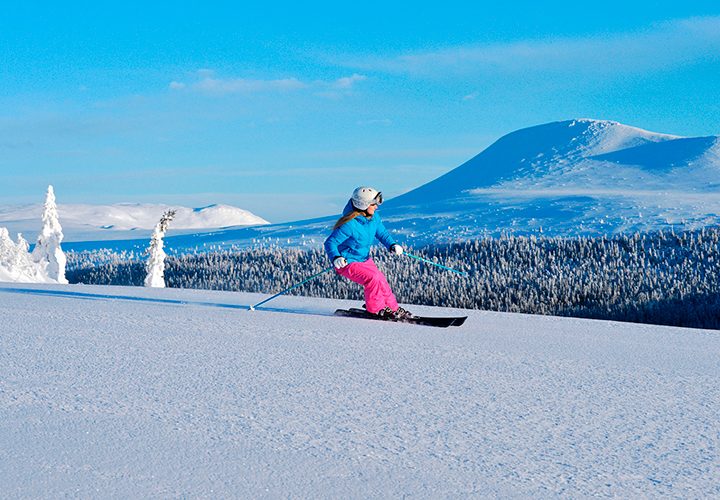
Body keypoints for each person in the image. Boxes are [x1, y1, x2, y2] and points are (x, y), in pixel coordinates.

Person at [324, 186, 412, 320]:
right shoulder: (349, 224)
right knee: (372, 279)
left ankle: (393, 309)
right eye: (373, 204)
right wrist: (336, 257)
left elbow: (381, 233)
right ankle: (375, 309)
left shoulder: (374, 218)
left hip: (364, 260)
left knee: (381, 280)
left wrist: (392, 245)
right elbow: (330, 242)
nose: (376, 207)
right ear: (363, 205)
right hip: (348, 262)